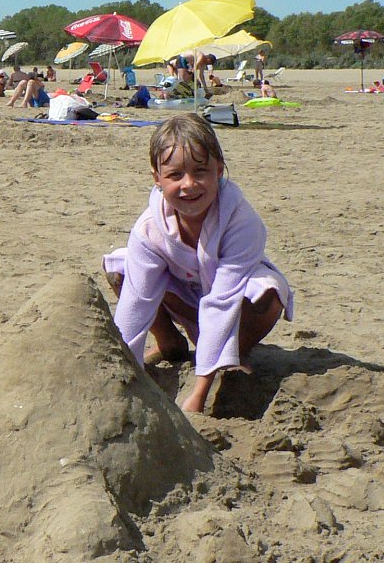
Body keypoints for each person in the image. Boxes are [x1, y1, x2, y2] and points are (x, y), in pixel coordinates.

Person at [103, 114, 293, 414]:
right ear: (157, 178)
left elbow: (222, 302)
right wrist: (124, 372)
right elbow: (135, 305)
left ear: (219, 170)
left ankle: (233, 354)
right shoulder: (149, 228)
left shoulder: (242, 222)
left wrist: (198, 395)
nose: (189, 185)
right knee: (121, 269)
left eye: (200, 171)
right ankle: (169, 342)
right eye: (175, 175)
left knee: (267, 293)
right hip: (183, 296)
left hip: (231, 301)